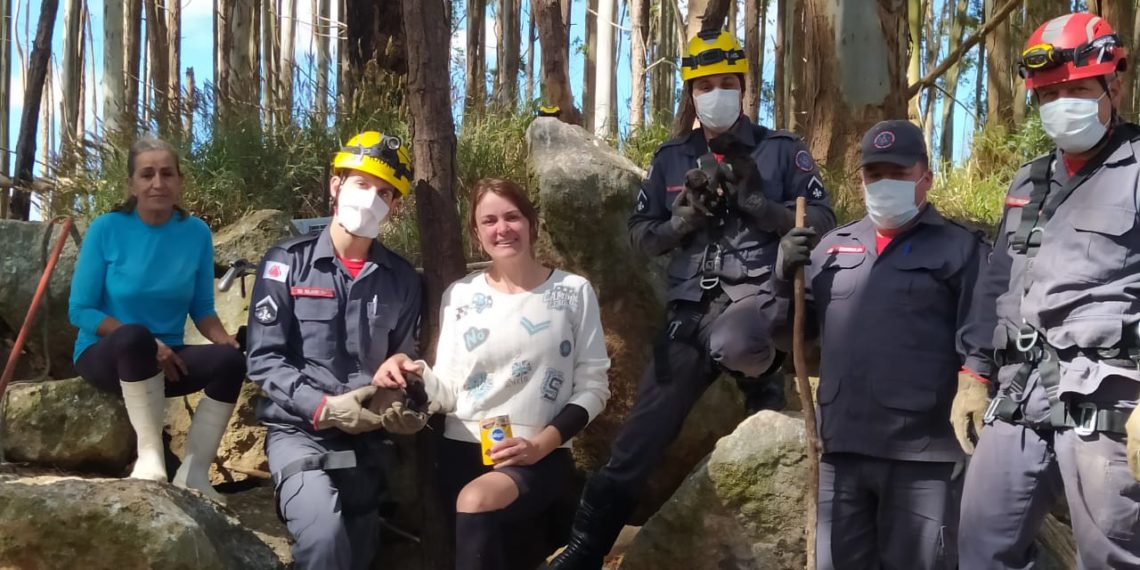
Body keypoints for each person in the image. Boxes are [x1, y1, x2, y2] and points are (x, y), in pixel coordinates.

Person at [549, 29, 836, 569]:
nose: (717, 93)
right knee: (636, 442)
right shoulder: (670, 159)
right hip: (689, 314)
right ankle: (585, 551)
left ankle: (761, 378)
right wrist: (679, 222)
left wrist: (761, 206)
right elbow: (641, 234)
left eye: (728, 83)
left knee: (739, 339)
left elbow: (822, 219)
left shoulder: (783, 152)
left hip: (760, 300)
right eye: (706, 85)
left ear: (744, 88)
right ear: (691, 93)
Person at [953, 13, 1140, 569]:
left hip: (1108, 397)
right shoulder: (1028, 181)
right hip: (1019, 394)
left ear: (1117, 85)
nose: (1064, 102)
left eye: (1079, 89)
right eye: (1051, 93)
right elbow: (996, 282)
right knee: (982, 549)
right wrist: (972, 372)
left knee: (1112, 556)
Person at [772, 120, 990, 568]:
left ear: (925, 178)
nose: (882, 183)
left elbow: (983, 336)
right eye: (874, 174)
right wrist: (781, 278)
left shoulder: (961, 249)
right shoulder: (832, 248)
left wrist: (976, 388)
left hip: (923, 455)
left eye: (897, 173)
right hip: (842, 449)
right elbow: (788, 336)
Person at [375, 178, 611, 570]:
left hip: (539, 454)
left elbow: (593, 387)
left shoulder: (573, 292)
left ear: (531, 222)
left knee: (478, 501)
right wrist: (410, 371)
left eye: (512, 217)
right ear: (476, 232)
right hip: (461, 451)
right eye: (489, 221)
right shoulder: (461, 295)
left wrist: (541, 445)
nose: (502, 229)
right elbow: (447, 388)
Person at [246, 131, 426, 570]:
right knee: (324, 539)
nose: (371, 199)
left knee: (358, 549)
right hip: (298, 433)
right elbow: (263, 359)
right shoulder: (287, 262)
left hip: (368, 441)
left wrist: (400, 392)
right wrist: (323, 407)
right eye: (361, 184)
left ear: (395, 207)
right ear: (335, 184)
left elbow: (403, 359)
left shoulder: (402, 279)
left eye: (384, 192)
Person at [68, 137, 245, 504]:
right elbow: (80, 311)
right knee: (135, 337)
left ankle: (194, 474)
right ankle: (151, 460)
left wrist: (223, 339)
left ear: (179, 180)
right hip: (108, 354)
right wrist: (150, 344)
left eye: (167, 173)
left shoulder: (195, 232)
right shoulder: (106, 229)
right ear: (131, 183)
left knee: (230, 360)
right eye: (147, 174)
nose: (158, 183)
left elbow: (202, 308)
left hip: (170, 358)